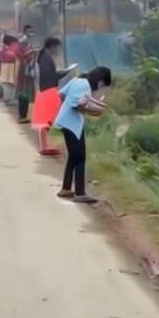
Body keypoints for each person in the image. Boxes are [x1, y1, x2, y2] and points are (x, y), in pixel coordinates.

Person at [54, 66, 113, 204]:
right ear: (100, 81)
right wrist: (89, 107)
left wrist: (76, 104)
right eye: (103, 84)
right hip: (73, 124)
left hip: (64, 120)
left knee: (73, 156)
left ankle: (66, 189)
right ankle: (80, 193)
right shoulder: (85, 86)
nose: (101, 87)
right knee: (80, 157)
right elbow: (77, 104)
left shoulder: (76, 80)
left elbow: (61, 94)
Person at [32, 37, 64, 158]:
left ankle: (44, 146)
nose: (58, 50)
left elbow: (48, 75)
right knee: (46, 119)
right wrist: (59, 76)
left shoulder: (44, 55)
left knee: (45, 119)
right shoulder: (46, 57)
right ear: (52, 46)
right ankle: (44, 147)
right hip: (47, 91)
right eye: (57, 47)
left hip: (44, 90)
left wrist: (59, 74)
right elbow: (47, 76)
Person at [15, 34, 36, 124]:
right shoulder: (27, 55)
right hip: (25, 81)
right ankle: (23, 117)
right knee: (24, 99)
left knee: (23, 99)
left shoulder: (22, 55)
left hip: (23, 80)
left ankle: (22, 117)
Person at [0, 35, 19, 104]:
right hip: (9, 67)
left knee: (9, 83)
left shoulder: (3, 48)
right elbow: (13, 56)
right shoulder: (5, 49)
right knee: (9, 83)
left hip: (6, 67)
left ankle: (9, 98)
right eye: (14, 43)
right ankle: (8, 99)